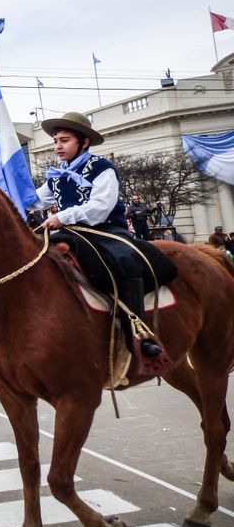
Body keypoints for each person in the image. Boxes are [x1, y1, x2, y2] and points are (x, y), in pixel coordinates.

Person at [33, 112, 173, 359]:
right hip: (72, 233)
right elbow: (32, 200)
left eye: (64, 140)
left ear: (84, 142)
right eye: (56, 141)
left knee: (123, 260)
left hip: (106, 230)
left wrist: (63, 217)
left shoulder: (102, 168)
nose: (57, 146)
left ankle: (138, 332)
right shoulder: (57, 175)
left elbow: (101, 207)